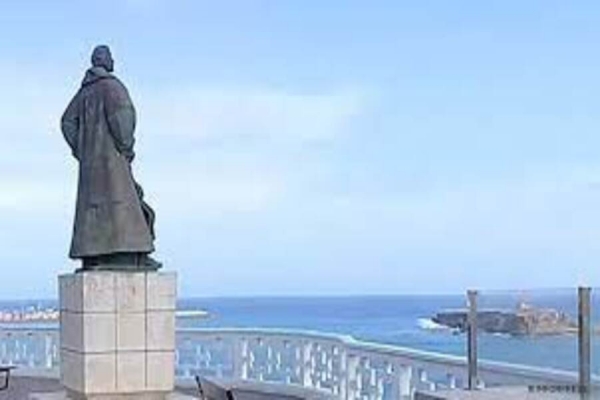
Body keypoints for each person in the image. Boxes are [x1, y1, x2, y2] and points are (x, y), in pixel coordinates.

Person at [61, 45, 161, 271]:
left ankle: (95, 255)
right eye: (111, 58)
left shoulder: (83, 94)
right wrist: (126, 146)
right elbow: (123, 117)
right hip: (114, 161)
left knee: (98, 210)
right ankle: (131, 254)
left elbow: (67, 122)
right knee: (126, 206)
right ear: (105, 61)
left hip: (91, 169)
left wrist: (82, 150)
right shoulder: (112, 87)